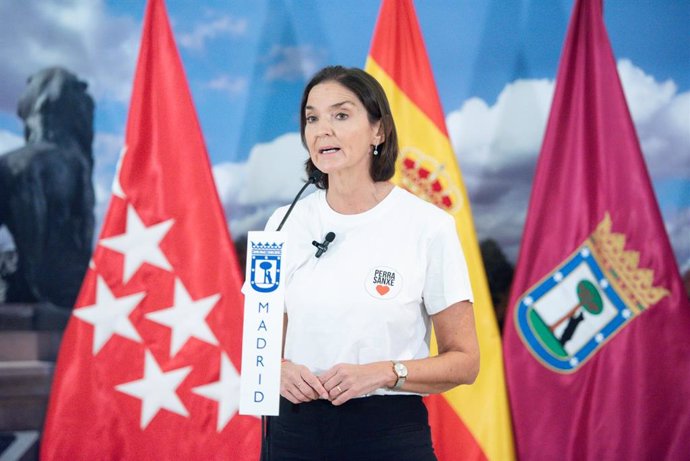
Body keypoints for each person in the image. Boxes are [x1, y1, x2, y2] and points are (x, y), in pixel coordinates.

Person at [262, 65, 480, 461]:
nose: (322, 129)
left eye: (340, 115)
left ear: (378, 131)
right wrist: (273, 367)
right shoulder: (283, 222)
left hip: (386, 433)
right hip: (292, 433)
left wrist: (384, 372)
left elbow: (464, 362)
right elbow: (258, 340)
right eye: (312, 118)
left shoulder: (428, 227)